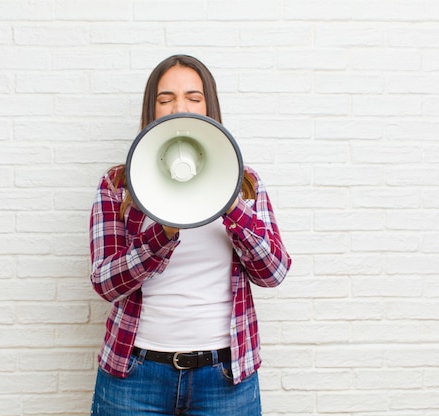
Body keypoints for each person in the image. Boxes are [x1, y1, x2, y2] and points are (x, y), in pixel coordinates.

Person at [88, 54, 292, 416]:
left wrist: (230, 205)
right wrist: (163, 233)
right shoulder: (118, 185)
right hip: (134, 374)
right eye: (165, 99)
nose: (179, 107)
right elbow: (106, 283)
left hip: (226, 376)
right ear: (151, 110)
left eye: (193, 98)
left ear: (209, 107)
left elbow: (273, 272)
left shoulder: (244, 183)